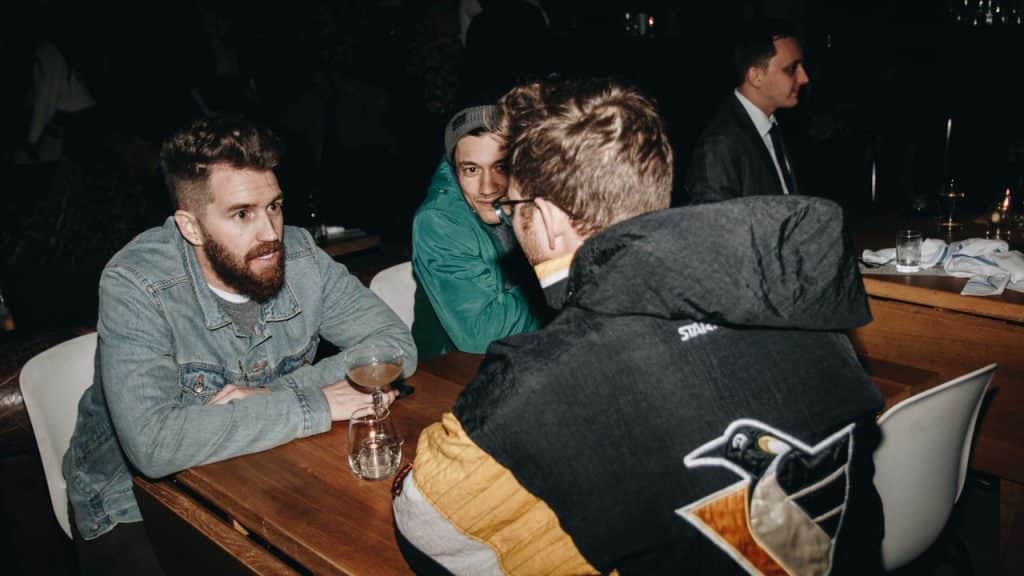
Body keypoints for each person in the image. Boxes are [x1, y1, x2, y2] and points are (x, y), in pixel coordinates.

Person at [393, 78, 884, 574]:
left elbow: (427, 530)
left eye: (514, 207)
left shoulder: (539, 382)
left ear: (544, 219)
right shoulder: (802, 304)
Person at [62, 117, 416, 574]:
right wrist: (314, 404)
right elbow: (153, 446)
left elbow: (395, 346)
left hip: (265, 468)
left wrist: (274, 396)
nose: (270, 233)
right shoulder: (137, 283)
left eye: (274, 206)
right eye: (242, 214)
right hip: (131, 500)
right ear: (190, 227)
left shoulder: (301, 254)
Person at [411, 104, 545, 359]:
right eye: (471, 169)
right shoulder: (439, 222)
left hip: (528, 353)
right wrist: (557, 281)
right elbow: (483, 334)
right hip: (453, 371)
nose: (487, 188)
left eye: (501, 167)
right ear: (454, 169)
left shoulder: (527, 193)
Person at [685, 19, 810, 204]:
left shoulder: (773, 128)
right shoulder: (719, 145)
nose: (804, 78)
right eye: (792, 69)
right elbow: (715, 228)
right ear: (756, 76)